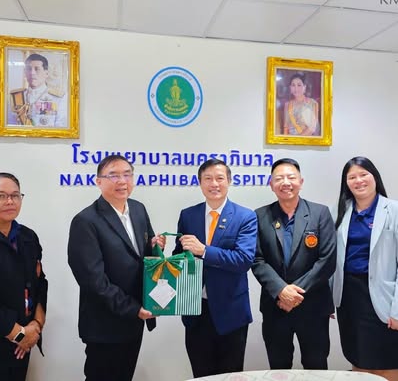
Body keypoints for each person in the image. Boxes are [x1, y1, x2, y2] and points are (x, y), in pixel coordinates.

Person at [67, 155, 166, 381]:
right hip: (105, 325)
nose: (122, 181)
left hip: (135, 321)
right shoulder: (86, 221)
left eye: (127, 174)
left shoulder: (138, 209)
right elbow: (93, 281)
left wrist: (154, 247)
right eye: (113, 175)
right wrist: (133, 309)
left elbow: (143, 258)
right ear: (98, 181)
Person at [173, 158, 257, 377]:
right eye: (208, 178)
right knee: (201, 374)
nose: (214, 184)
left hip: (231, 312)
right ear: (200, 183)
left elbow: (243, 260)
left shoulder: (245, 216)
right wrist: (159, 249)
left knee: (231, 375)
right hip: (196, 310)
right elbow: (180, 256)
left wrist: (204, 251)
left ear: (229, 181)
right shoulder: (188, 215)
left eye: (220, 178)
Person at [251, 158, 336, 369]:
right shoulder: (260, 216)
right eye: (279, 178)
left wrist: (293, 294)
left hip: (313, 306)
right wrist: (281, 291)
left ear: (301, 181)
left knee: (316, 367)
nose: (286, 182)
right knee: (279, 368)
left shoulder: (320, 213)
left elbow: (327, 260)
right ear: (271, 184)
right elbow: (257, 259)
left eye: (291, 177)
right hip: (275, 306)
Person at [332, 156, 398, 381]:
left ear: (374, 177)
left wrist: (397, 310)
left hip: (383, 297)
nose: (358, 181)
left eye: (363, 174)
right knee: (358, 356)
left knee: (387, 360)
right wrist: (329, 298)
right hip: (349, 297)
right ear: (346, 182)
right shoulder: (341, 211)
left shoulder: (393, 210)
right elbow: (332, 259)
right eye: (352, 177)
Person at [0, 172, 47, 381]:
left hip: (23, 343)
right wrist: (18, 334)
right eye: (0, 195)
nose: (10, 201)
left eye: (15, 195)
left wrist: (35, 325)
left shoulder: (27, 237)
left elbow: (39, 283)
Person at [9, 53, 67, 127]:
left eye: (37, 69)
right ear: (25, 72)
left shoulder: (59, 98)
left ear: (46, 73)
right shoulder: (16, 97)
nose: (32, 73)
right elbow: (9, 125)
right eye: (29, 69)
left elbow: (61, 127)